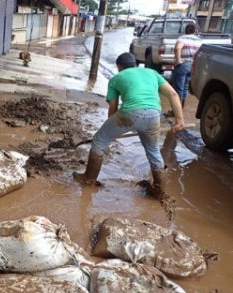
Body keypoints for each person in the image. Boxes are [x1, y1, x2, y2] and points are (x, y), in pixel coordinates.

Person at [73, 52, 186, 199]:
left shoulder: (116, 78)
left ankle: (89, 179)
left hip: (129, 113)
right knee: (153, 150)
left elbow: (112, 110)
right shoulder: (152, 73)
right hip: (153, 115)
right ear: (135, 64)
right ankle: (158, 190)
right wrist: (180, 120)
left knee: (99, 141)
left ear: (119, 67)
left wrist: (112, 130)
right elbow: (174, 95)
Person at [167, 23, 202, 115]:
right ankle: (180, 109)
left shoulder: (182, 38)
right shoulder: (199, 41)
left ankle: (176, 112)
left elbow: (178, 48)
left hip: (183, 65)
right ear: (195, 31)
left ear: (186, 30)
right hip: (193, 66)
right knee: (185, 87)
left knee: (178, 89)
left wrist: (178, 60)